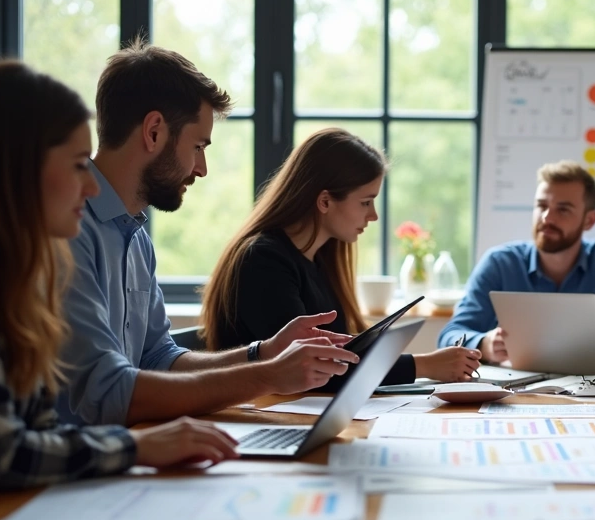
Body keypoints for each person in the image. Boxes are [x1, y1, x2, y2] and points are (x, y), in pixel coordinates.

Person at [0, 63, 239, 520]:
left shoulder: (17, 276)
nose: (91, 185)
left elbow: (42, 431)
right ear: (18, 169)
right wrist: (136, 446)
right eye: (77, 165)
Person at [60, 40, 359, 427]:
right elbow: (106, 393)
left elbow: (158, 359)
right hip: (80, 458)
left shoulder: (136, 239)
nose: (201, 168)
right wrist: (266, 376)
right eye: (198, 146)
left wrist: (264, 353)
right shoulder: (67, 232)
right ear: (154, 132)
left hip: (131, 447)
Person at [200, 127, 481, 385]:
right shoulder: (262, 262)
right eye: (366, 202)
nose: (373, 215)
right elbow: (316, 366)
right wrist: (425, 365)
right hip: (266, 411)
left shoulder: (321, 259)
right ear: (325, 201)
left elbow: (341, 353)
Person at [437, 161, 595, 363]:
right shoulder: (500, 263)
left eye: (563, 209)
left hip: (592, 384)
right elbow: (450, 336)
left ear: (589, 220)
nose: (546, 218)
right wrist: (484, 344)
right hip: (515, 384)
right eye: (541, 205)